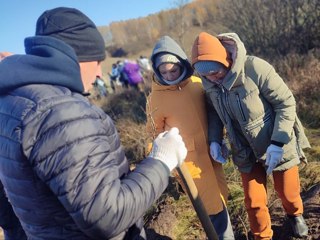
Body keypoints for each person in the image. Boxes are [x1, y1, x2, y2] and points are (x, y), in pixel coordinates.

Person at [0, 7, 188, 240]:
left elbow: (7, 208)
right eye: (97, 61)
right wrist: (161, 162)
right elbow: (107, 216)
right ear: (76, 56)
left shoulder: (11, 105)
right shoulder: (60, 113)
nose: (100, 73)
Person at [191, 31, 311, 240]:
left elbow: (286, 103)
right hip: (243, 148)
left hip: (275, 140)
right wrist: (214, 140)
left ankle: (295, 214)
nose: (213, 78)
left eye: (216, 72)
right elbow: (214, 114)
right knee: (253, 201)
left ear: (226, 59)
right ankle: (262, 236)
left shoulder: (255, 68)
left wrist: (277, 142)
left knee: (288, 193)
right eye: (207, 75)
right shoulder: (210, 85)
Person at [146, 35, 235, 239]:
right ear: (156, 71)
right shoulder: (155, 98)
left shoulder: (197, 83)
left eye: (173, 70)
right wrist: (161, 162)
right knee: (213, 210)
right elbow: (153, 134)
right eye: (163, 72)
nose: (169, 76)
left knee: (222, 199)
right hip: (189, 163)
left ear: (182, 64)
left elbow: (214, 112)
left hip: (212, 153)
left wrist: (220, 139)